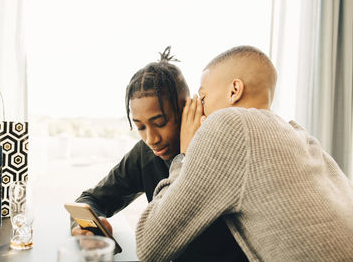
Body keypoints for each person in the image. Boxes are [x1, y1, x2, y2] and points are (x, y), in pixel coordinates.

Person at [136, 45, 353, 261]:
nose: (198, 111)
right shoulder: (303, 137)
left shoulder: (229, 123)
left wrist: (184, 155)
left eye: (202, 99)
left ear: (234, 91)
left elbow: (149, 246)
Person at [72, 47, 247, 261]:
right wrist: (90, 225)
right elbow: (90, 199)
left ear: (188, 109)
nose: (151, 138)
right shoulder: (145, 154)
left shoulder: (220, 151)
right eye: (140, 127)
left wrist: (185, 157)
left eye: (160, 123)